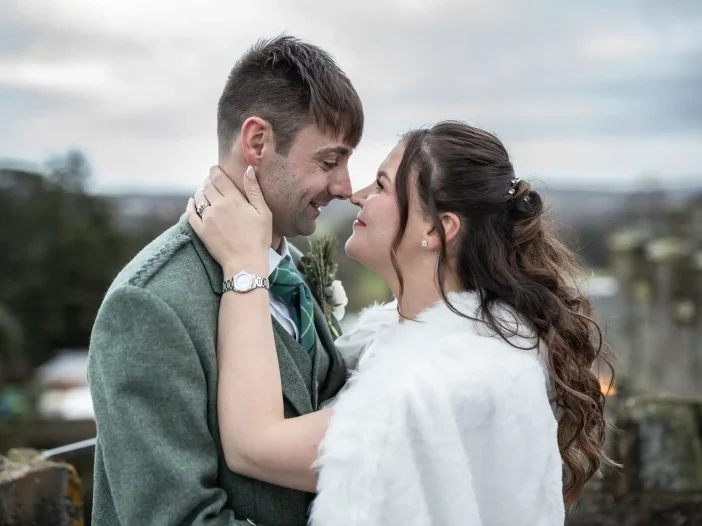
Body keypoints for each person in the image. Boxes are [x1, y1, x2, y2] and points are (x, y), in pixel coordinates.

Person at [188, 121, 615, 525]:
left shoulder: (437, 385)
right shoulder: (441, 341)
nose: (355, 194)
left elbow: (253, 446)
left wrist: (244, 263)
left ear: (438, 229)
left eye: (381, 185)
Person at [87, 35, 363, 526]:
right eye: (329, 161)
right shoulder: (149, 305)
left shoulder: (289, 266)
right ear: (257, 142)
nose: (344, 187)